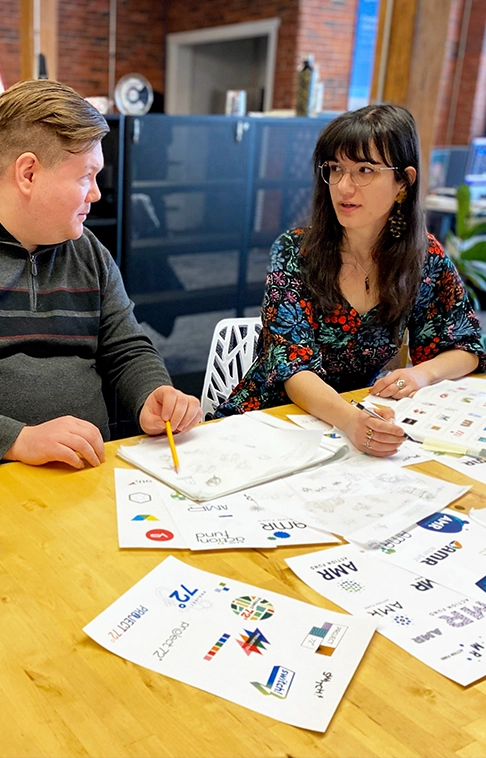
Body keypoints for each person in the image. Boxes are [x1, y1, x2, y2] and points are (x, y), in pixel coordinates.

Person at [216, 104, 485, 457]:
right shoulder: (295, 251)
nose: (344, 186)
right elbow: (292, 368)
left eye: (364, 170)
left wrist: (420, 375)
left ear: (403, 182)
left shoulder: (423, 258)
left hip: (354, 425)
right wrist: (350, 421)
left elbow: (465, 347)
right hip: (273, 421)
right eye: (336, 169)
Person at [0, 79, 202, 469]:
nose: (95, 193)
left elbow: (125, 347)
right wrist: (17, 440)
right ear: (28, 174)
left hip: (89, 471)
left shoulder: (87, 249)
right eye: (84, 177)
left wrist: (152, 393)